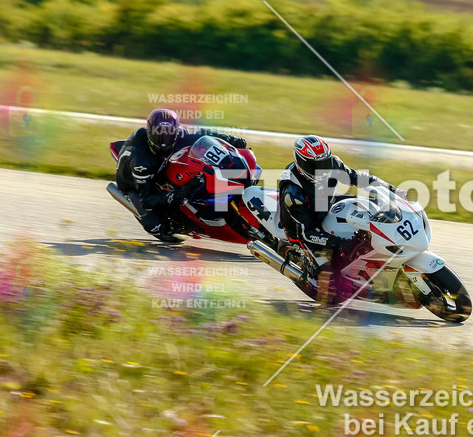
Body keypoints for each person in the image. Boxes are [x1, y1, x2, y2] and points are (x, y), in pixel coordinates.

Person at [277, 135, 404, 301]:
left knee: (366, 206)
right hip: (302, 227)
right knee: (334, 288)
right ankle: (317, 280)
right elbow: (305, 233)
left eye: (325, 162)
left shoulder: (333, 164)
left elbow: (359, 178)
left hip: (325, 206)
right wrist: (340, 243)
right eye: (316, 165)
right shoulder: (293, 191)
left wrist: (390, 189)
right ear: (301, 163)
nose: (323, 168)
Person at [115, 108, 248, 242]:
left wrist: (232, 140)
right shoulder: (140, 161)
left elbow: (203, 134)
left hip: (162, 167)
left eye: (169, 133)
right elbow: (147, 198)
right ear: (150, 131)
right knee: (160, 227)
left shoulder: (180, 134)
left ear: (176, 130)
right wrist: (173, 196)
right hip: (133, 183)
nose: (163, 139)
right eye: (159, 133)